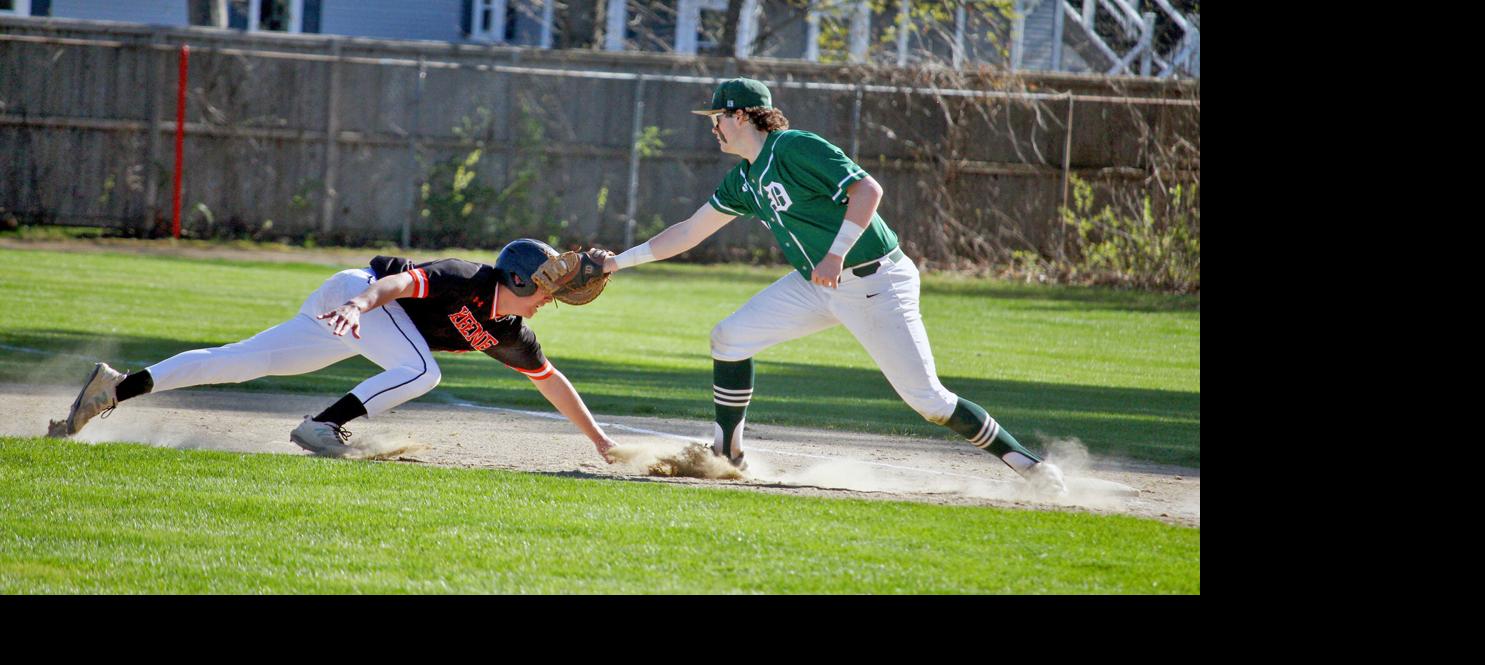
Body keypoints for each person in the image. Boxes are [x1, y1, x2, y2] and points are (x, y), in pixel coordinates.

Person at [600, 77, 1068, 497]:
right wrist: (617, 264)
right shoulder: (744, 178)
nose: (713, 127)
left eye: (718, 117)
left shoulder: (795, 147)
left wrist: (836, 251)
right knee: (729, 337)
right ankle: (728, 455)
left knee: (928, 400)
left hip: (875, 281)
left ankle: (1030, 465)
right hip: (818, 283)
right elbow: (688, 232)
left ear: (741, 116)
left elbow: (868, 190)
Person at [59, 239, 621, 462]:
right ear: (520, 281)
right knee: (421, 370)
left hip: (360, 314)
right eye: (545, 290)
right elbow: (397, 287)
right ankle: (322, 426)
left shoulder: (508, 333)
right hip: (358, 293)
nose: (549, 301)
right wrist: (358, 306)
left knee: (241, 361)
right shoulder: (466, 277)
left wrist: (599, 440)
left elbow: (550, 380)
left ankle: (115, 388)